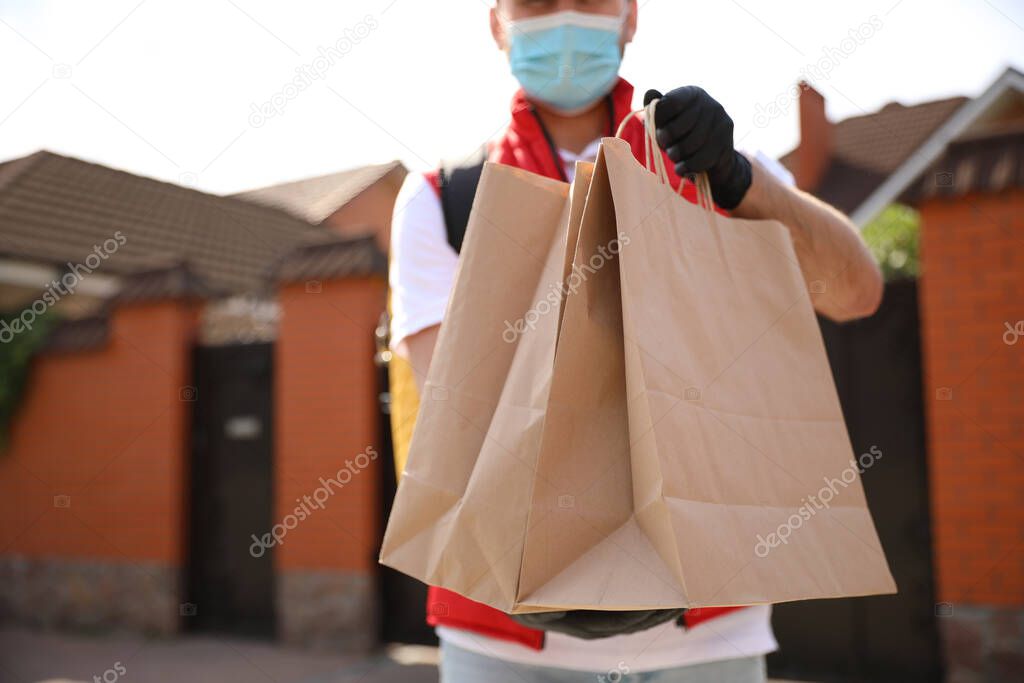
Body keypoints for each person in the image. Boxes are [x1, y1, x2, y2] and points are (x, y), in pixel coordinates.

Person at [387, 1, 883, 681]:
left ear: (630, 17)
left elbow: (854, 291)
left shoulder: (714, 165)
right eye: (536, 0)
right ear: (497, 22)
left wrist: (743, 181)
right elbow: (462, 420)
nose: (565, 16)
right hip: (500, 636)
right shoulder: (441, 199)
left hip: (710, 631)